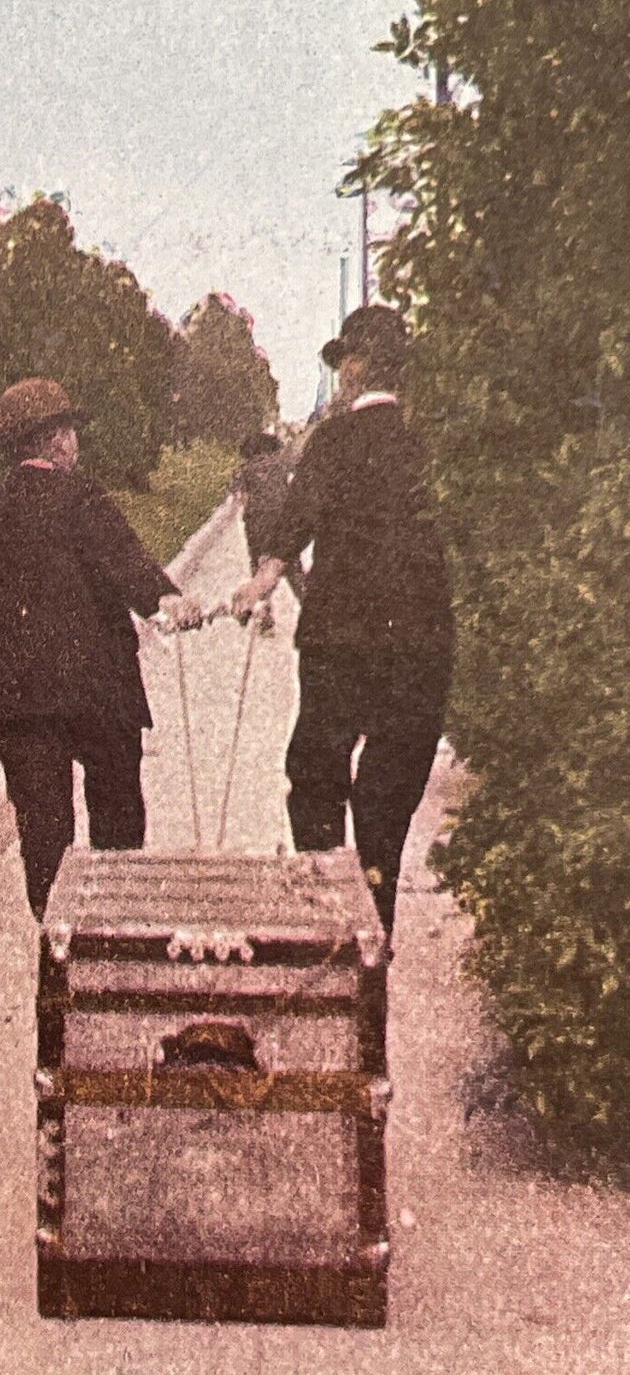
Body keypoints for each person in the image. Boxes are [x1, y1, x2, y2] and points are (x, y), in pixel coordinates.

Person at [0, 377, 203, 921]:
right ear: (56, 439)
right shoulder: (83, 499)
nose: (76, 445)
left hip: (18, 703)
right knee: (117, 814)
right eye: (71, 432)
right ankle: (119, 933)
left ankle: (59, 950)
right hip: (96, 690)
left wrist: (8, 655)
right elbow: (127, 565)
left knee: (45, 836)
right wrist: (168, 601)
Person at [231, 305, 454, 939]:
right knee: (390, 781)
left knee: (317, 766)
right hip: (420, 642)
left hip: (340, 639)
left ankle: (328, 910)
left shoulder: (331, 440)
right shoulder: (427, 441)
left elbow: (294, 522)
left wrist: (263, 578)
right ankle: (374, 920)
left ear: (354, 369)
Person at [230, 429, 304, 632]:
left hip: (257, 526)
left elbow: (241, 500)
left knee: (259, 568)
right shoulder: (280, 464)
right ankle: (310, 608)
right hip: (282, 522)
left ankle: (263, 615)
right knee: (292, 567)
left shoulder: (243, 471)